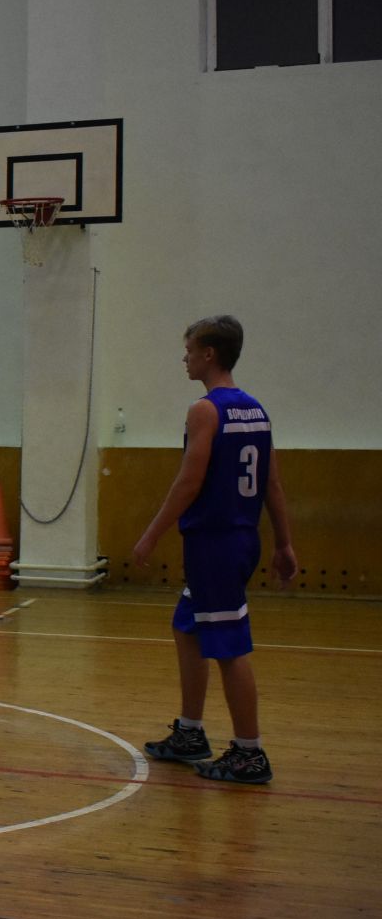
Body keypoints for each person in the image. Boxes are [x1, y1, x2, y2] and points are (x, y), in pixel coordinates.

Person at [133, 316, 295, 784]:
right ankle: (190, 731)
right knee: (187, 627)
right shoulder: (256, 410)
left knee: (228, 647)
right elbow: (272, 483)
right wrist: (283, 542)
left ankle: (250, 752)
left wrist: (152, 533)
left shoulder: (205, 410)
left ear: (209, 354)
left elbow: (190, 480)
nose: (183, 358)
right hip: (240, 538)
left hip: (215, 543)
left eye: (188, 350)